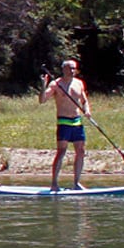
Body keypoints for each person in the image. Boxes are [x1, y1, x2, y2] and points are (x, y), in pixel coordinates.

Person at [44, 60, 92, 190]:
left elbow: (84, 101)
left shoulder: (79, 83)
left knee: (81, 151)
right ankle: (54, 183)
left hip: (77, 121)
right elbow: (42, 100)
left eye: (74, 68)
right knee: (61, 151)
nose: (72, 71)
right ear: (63, 69)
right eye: (69, 68)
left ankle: (76, 183)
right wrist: (44, 85)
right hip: (63, 121)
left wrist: (87, 110)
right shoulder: (56, 84)